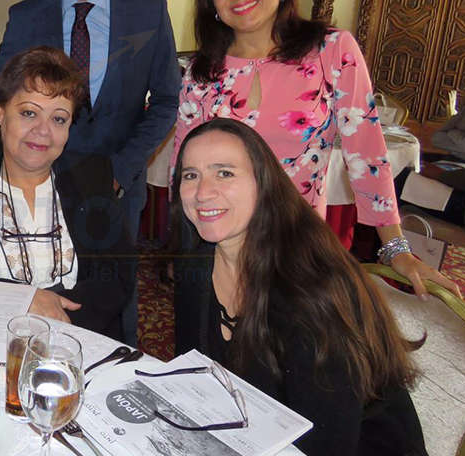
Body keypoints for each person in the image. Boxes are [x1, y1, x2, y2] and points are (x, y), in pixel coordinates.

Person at [171, 0, 459, 298]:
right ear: (212, 2)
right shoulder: (201, 69)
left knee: (288, 349)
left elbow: (366, 152)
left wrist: (395, 247)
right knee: (211, 347)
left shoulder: (330, 50)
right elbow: (183, 163)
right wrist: (180, 244)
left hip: (294, 244)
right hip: (214, 244)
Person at [172, 118, 426, 456]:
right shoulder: (196, 262)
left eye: (225, 173)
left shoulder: (311, 291)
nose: (203, 192)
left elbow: (326, 444)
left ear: (263, 184)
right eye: (191, 175)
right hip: (257, 435)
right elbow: (191, 376)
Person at [0, 0, 180, 238]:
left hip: (117, 191)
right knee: (41, 288)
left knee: (112, 289)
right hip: (38, 190)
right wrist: (29, 163)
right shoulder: (26, 16)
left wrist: (120, 170)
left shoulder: (149, 13)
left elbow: (166, 101)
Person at [0, 47, 135, 340]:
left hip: (78, 338)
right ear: (1, 114)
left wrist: (55, 326)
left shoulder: (92, 176)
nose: (42, 130)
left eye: (58, 119)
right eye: (29, 113)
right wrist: (24, 299)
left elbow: (118, 277)